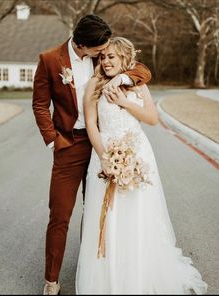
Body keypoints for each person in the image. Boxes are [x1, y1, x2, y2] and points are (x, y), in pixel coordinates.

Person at [75, 37, 208, 294]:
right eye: (103, 57)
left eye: (112, 57)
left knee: (136, 213)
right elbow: (91, 123)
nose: (106, 61)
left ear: (125, 58)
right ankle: (108, 275)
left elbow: (152, 118)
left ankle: (137, 270)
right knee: (107, 215)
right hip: (105, 155)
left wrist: (125, 102)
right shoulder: (94, 84)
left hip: (138, 155)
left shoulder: (137, 83)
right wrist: (104, 156)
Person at [32, 15, 152, 295]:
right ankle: (51, 280)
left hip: (105, 144)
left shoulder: (103, 54)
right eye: (100, 51)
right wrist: (53, 141)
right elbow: (39, 105)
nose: (105, 55)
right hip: (69, 145)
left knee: (100, 209)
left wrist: (124, 75)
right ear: (84, 45)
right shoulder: (50, 60)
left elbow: (142, 70)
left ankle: (95, 270)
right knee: (60, 214)